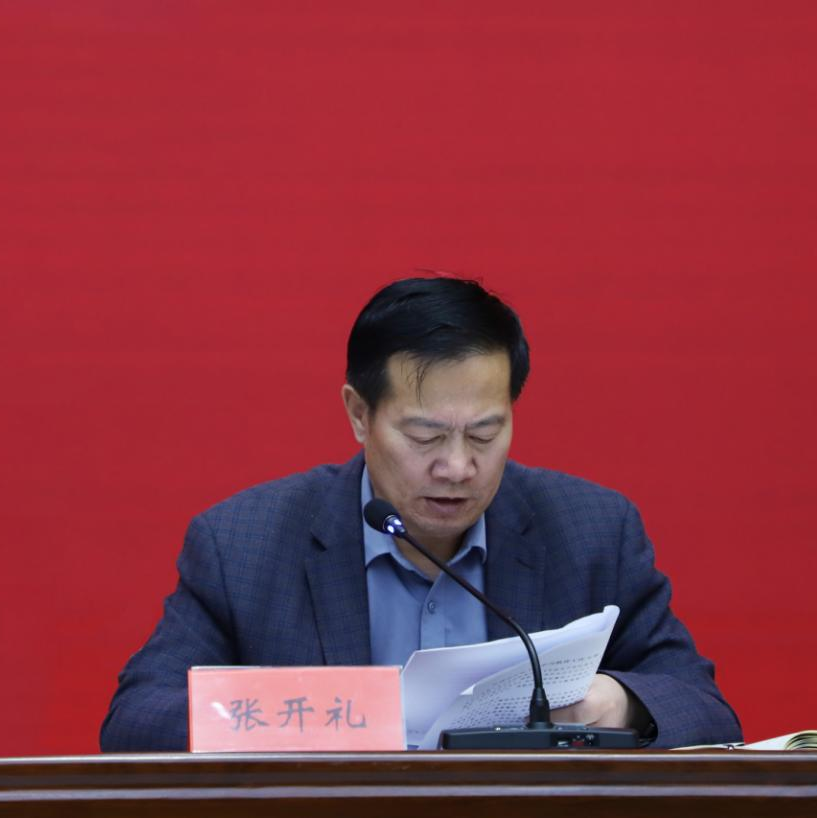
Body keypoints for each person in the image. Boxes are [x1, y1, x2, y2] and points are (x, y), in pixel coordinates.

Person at [100, 277, 741, 750]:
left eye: (485, 434)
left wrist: (618, 703)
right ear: (359, 415)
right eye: (425, 436)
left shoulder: (591, 531)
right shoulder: (245, 544)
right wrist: (306, 716)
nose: (457, 467)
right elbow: (136, 720)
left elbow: (705, 711)